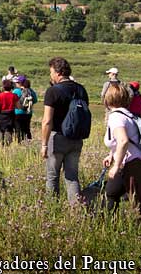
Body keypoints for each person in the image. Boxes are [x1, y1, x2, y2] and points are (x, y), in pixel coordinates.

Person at [103, 83, 141, 215]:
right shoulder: (130, 115)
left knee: (112, 194)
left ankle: (112, 225)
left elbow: (123, 140)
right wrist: (111, 155)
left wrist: (116, 166)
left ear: (108, 99)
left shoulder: (116, 117)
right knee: (133, 199)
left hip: (130, 164)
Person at [41, 57, 89, 204]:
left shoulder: (53, 91)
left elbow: (47, 120)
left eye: (51, 72)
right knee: (72, 176)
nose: (51, 76)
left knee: (52, 176)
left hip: (57, 137)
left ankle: (51, 209)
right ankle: (75, 210)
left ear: (58, 73)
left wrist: (44, 144)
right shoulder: (81, 89)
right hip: (76, 138)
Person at [0, 79, 21, 145]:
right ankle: (8, 145)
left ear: (3, 87)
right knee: (9, 130)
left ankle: (1, 145)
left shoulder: (0, 95)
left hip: (1, 115)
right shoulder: (14, 96)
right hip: (10, 115)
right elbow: (19, 107)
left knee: (0, 131)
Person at [13, 76, 38, 141]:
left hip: (18, 112)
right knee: (27, 128)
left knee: (18, 128)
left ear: (20, 83)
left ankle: (19, 142)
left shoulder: (16, 91)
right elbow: (35, 100)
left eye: (17, 82)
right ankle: (28, 141)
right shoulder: (31, 90)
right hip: (28, 112)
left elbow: (12, 100)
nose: (16, 84)